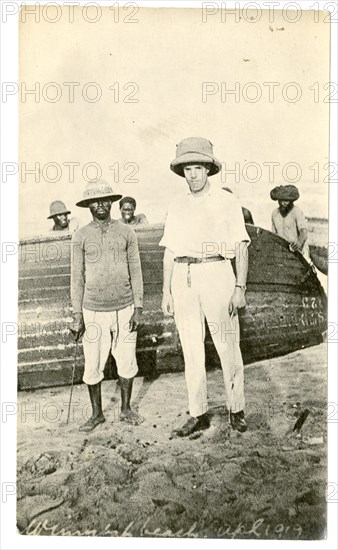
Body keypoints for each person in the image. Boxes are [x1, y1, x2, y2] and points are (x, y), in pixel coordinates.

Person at [160, 137, 251, 436]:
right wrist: (166, 292)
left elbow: (240, 246)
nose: (193, 174)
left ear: (209, 169)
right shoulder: (176, 204)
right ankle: (198, 413)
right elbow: (170, 251)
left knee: (228, 347)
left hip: (217, 274)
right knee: (191, 350)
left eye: (198, 167)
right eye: (188, 169)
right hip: (184, 278)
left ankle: (236, 409)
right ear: (182, 171)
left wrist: (239, 287)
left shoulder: (227, 201)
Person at [69, 180, 144, 432]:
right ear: (88, 205)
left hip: (125, 307)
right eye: (94, 201)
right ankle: (97, 414)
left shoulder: (126, 232)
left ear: (112, 202)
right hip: (92, 310)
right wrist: (77, 314)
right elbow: (76, 277)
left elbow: (136, 269)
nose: (100, 204)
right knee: (93, 363)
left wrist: (139, 307)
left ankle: (125, 409)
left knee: (127, 359)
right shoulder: (80, 236)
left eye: (105, 199)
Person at [270, 185, 309, 258]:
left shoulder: (297, 211)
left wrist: (298, 244)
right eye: (280, 200)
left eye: (286, 201)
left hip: (299, 251)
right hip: (283, 252)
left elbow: (303, 232)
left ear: (291, 201)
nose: (283, 203)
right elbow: (274, 235)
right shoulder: (275, 214)